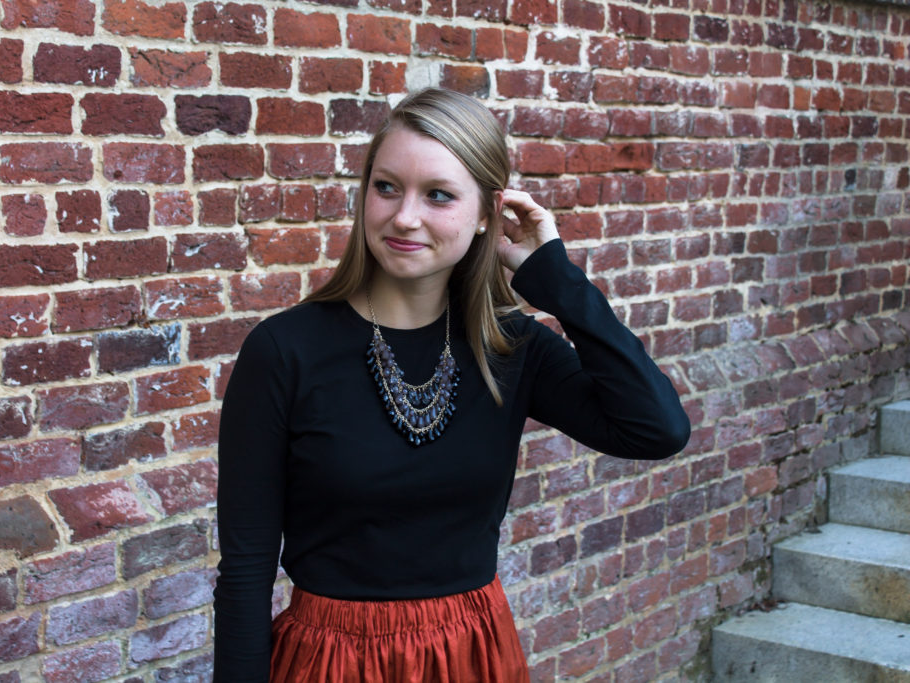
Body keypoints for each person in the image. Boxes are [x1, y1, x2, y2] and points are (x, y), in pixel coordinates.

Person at [214, 87, 690, 682]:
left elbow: (657, 429)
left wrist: (557, 281)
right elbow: (246, 567)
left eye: (438, 195)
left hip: (472, 655)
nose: (404, 216)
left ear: (489, 212)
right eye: (386, 187)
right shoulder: (286, 350)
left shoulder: (511, 349)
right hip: (332, 661)